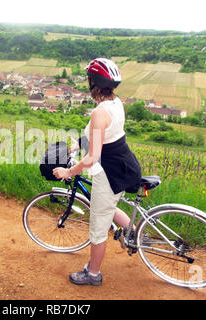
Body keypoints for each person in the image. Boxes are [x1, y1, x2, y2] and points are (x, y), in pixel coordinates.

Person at [53, 58, 141, 286]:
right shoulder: (116, 103)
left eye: (89, 79)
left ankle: (93, 274)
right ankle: (135, 231)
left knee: (98, 230)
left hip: (110, 174)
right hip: (126, 166)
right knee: (107, 207)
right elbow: (103, 136)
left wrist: (68, 172)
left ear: (94, 83)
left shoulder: (99, 113)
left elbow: (93, 157)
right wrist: (78, 144)